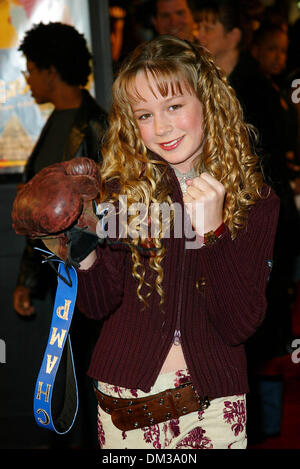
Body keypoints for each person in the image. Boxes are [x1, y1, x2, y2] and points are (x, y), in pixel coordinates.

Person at [12, 35, 280, 449]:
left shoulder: (255, 201)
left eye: (174, 106)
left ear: (207, 101)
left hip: (213, 409)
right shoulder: (120, 193)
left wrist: (213, 234)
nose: (162, 127)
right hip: (123, 404)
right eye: (144, 115)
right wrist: (80, 250)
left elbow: (238, 324)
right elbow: (98, 304)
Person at [13, 22, 108, 448]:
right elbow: (39, 216)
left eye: (31, 69)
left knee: (89, 377)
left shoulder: (95, 125)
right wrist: (27, 278)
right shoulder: (55, 124)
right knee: (64, 377)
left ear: (51, 70)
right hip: (58, 280)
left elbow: (108, 210)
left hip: (93, 280)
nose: (27, 79)